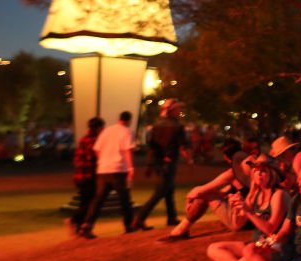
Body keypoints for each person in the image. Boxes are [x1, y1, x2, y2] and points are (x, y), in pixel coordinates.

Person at [199, 155, 291, 261]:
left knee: (249, 255)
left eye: (263, 171)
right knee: (213, 249)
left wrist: (248, 212)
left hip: (275, 246)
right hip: (256, 244)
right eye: (256, 170)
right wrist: (237, 207)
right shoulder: (254, 194)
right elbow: (237, 225)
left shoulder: (279, 195)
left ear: (272, 173)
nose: (259, 174)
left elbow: (271, 229)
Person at [164, 139, 254, 241]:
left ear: (225, 157)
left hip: (243, 221)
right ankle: (182, 229)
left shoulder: (232, 173)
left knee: (205, 194)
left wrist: (189, 201)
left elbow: (197, 191)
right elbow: (228, 192)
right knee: (209, 193)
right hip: (252, 219)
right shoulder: (249, 169)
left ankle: (181, 230)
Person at [132, 99, 191, 230]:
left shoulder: (156, 125)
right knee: (160, 191)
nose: (180, 111)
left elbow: (152, 146)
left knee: (169, 189)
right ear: (171, 111)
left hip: (158, 162)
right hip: (169, 162)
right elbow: (183, 146)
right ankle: (139, 219)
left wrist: (150, 164)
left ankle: (171, 217)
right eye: (178, 109)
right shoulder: (177, 126)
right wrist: (189, 159)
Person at [78, 111, 136, 239]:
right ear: (129, 120)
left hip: (103, 170)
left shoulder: (106, 131)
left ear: (119, 119)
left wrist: (103, 161)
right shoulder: (127, 131)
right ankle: (129, 226)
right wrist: (131, 167)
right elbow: (128, 150)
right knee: (125, 199)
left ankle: (87, 225)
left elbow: (97, 150)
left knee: (98, 199)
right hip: (119, 170)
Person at [69, 117, 105, 235]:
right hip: (88, 176)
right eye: (101, 128)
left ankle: (80, 228)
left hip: (80, 176)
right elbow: (93, 159)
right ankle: (74, 220)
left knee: (85, 202)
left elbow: (77, 159)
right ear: (98, 128)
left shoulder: (83, 139)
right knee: (91, 203)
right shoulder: (92, 140)